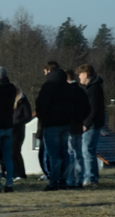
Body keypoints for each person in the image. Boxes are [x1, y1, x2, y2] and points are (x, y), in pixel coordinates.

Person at [35, 63, 88, 191]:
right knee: (65, 153)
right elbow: (80, 106)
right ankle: (63, 181)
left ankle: (54, 182)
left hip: (51, 124)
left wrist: (42, 117)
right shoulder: (69, 88)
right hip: (66, 124)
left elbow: (41, 105)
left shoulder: (47, 87)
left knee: (54, 155)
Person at [77, 64, 105, 188]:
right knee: (89, 151)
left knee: (87, 151)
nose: (79, 77)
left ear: (86, 74)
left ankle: (90, 178)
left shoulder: (93, 89)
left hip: (91, 125)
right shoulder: (93, 87)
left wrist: (86, 124)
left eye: (80, 74)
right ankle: (92, 177)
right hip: (93, 124)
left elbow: (93, 109)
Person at [64, 70, 87, 188]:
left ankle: (70, 180)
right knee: (78, 153)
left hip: (69, 126)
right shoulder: (81, 91)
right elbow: (88, 108)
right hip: (79, 125)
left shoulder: (65, 92)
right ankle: (80, 179)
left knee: (70, 154)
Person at [11, 85, 32, 182]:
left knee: (15, 152)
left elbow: (28, 116)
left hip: (18, 130)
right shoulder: (13, 102)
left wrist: (17, 122)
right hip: (13, 129)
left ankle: (20, 173)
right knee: (13, 152)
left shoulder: (23, 102)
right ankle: (16, 173)